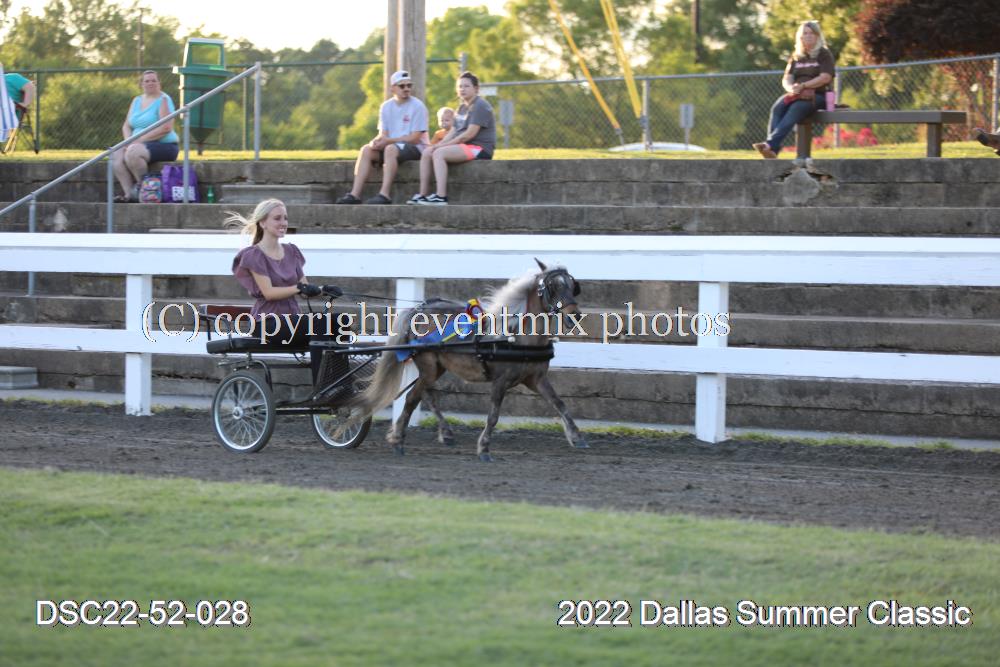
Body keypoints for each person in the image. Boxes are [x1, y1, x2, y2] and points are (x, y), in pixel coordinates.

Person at [336, 70, 429, 205]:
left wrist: (388, 141)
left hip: (416, 148)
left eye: (409, 85)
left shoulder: (418, 106)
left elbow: (415, 138)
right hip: (393, 146)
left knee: (390, 149)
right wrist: (376, 141)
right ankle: (354, 195)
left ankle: (384, 195)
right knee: (366, 150)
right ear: (392, 88)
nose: (407, 89)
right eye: (402, 86)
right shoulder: (386, 106)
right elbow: (383, 133)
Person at [408, 72, 495, 206]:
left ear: (476, 88)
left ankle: (441, 197)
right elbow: (453, 131)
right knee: (428, 152)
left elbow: (468, 135)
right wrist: (438, 144)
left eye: (466, 86)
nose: (462, 89)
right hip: (464, 146)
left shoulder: (480, 105)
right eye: (460, 86)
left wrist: (441, 147)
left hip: (479, 148)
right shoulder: (461, 107)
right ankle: (423, 195)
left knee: (439, 153)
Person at [753, 21, 835, 159]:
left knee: (796, 108)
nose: (808, 36)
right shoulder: (796, 56)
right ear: (800, 37)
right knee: (778, 107)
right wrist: (791, 88)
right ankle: (772, 150)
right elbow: (787, 78)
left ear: (818, 36)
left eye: (812, 33)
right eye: (805, 33)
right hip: (797, 94)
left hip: (819, 96)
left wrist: (804, 86)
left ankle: (770, 145)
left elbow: (825, 78)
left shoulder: (824, 54)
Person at [111, 70, 180, 202]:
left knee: (133, 153)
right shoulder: (136, 100)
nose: (150, 83)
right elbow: (126, 125)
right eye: (147, 81)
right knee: (115, 154)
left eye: (154, 80)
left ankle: (145, 190)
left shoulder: (164, 100)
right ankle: (129, 195)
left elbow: (166, 128)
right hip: (137, 144)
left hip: (164, 145)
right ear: (141, 84)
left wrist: (138, 141)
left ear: (159, 83)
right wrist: (128, 141)